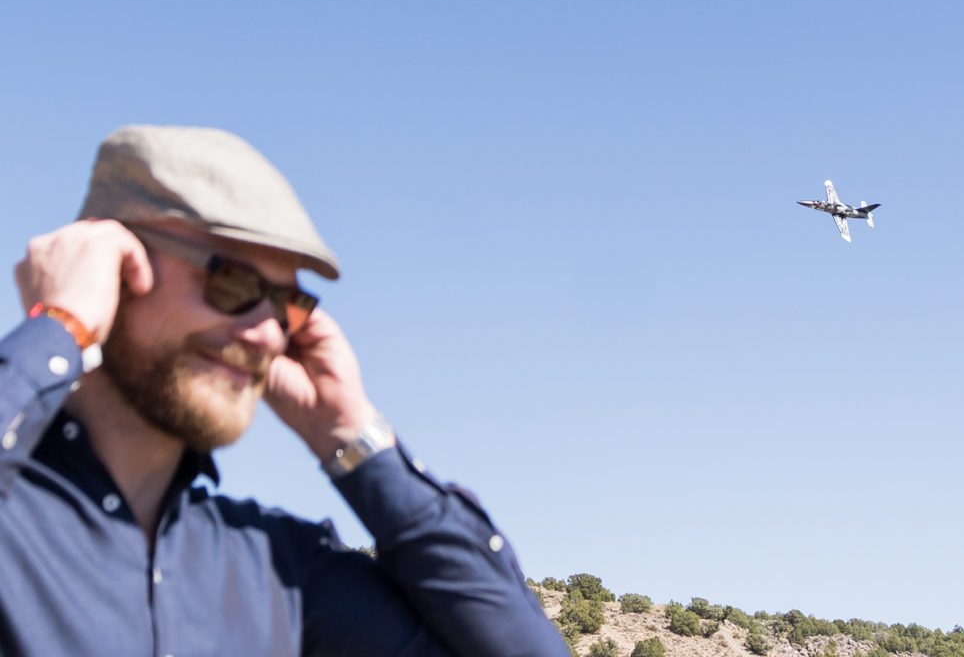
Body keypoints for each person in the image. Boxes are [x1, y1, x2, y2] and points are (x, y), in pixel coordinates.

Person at [0, 124, 565, 657]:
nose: (269, 332)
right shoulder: (17, 527)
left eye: (287, 305)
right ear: (113, 264)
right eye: (233, 282)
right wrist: (61, 328)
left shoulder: (276, 570)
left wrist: (351, 437)